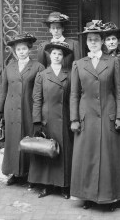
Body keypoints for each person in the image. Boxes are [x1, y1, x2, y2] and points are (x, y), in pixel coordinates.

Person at [70, 20, 120, 211]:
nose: (93, 43)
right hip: (86, 116)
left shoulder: (113, 61)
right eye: (90, 40)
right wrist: (74, 118)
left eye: (97, 39)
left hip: (109, 114)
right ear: (86, 43)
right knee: (87, 156)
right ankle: (87, 197)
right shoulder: (78, 64)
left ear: (102, 42)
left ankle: (111, 197)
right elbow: (74, 94)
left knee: (109, 157)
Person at [0, 33, 45, 185]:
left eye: (24, 49)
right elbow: (4, 91)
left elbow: (42, 92)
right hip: (11, 111)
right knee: (13, 142)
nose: (22, 52)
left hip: (28, 109)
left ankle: (31, 175)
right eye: (18, 49)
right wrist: (0, 111)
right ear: (15, 51)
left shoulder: (38, 67)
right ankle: (14, 173)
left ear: (29, 49)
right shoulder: (9, 68)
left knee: (29, 140)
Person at [28, 41, 73, 199]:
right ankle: (46, 185)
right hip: (47, 119)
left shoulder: (70, 74)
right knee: (47, 152)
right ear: (49, 55)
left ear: (63, 57)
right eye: (54, 53)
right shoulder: (42, 75)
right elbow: (37, 99)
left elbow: (74, 98)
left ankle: (64, 186)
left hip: (65, 118)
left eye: (60, 54)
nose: (57, 56)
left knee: (64, 153)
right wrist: (37, 121)